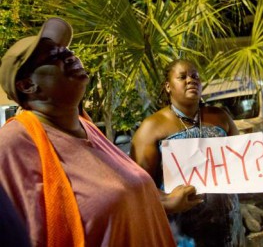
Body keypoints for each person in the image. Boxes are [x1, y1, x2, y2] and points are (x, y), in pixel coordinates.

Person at [0, 17, 177, 247]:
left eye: (66, 49)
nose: (69, 55)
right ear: (27, 85)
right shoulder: (13, 144)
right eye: (53, 56)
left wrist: (169, 202)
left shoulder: (87, 128)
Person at [130, 59, 263, 247]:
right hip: (183, 236)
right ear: (168, 86)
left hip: (228, 228)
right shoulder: (151, 128)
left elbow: (250, 166)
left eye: (195, 76)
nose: (191, 80)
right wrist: (169, 202)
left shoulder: (220, 117)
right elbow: (140, 190)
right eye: (182, 76)